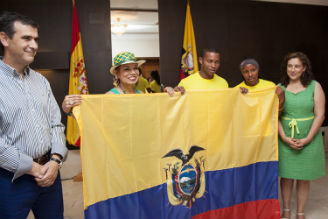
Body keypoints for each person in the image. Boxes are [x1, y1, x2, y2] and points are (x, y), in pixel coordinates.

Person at [0, 11, 67, 218]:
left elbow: (56, 124)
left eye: (36, 39)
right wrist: (31, 168)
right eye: (26, 38)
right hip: (10, 180)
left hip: (50, 173)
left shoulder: (41, 81)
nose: (34, 45)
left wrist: (55, 161)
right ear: (4, 39)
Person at [278, 52, 325, 219]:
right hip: (285, 138)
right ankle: (286, 210)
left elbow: (320, 115)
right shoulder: (280, 88)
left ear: (304, 68)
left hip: (309, 137)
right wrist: (283, 137)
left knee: (304, 177)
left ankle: (300, 212)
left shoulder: (314, 86)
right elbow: (273, 116)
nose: (293, 69)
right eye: (290, 66)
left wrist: (308, 139)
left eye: (297, 66)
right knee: (287, 176)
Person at [62, 51, 184, 113]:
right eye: (126, 69)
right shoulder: (110, 97)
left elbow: (156, 114)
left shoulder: (142, 93)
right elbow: (92, 118)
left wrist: (170, 97)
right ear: (117, 74)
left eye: (135, 68)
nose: (133, 72)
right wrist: (67, 109)